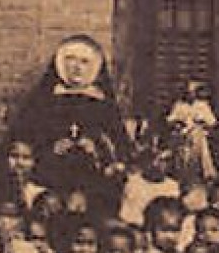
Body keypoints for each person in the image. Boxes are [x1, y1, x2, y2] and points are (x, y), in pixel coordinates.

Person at [10, 34, 130, 211]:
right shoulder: (42, 101)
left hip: (93, 185)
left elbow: (118, 148)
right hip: (48, 182)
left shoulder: (104, 105)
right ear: (60, 62)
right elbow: (24, 141)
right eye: (70, 59)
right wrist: (50, 148)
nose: (76, 67)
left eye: (84, 62)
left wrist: (96, 149)